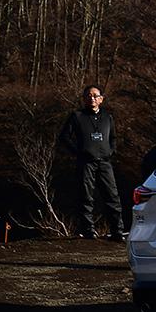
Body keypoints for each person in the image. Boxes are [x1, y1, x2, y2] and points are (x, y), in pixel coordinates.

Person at [57, 85, 124, 241]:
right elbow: (64, 137)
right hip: (86, 163)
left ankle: (117, 231)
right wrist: (78, 153)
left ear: (101, 99)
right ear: (84, 98)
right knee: (86, 197)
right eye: (88, 95)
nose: (91, 98)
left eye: (95, 95)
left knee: (112, 196)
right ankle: (88, 230)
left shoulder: (108, 117)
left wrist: (111, 151)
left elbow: (113, 138)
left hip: (105, 162)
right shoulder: (77, 116)